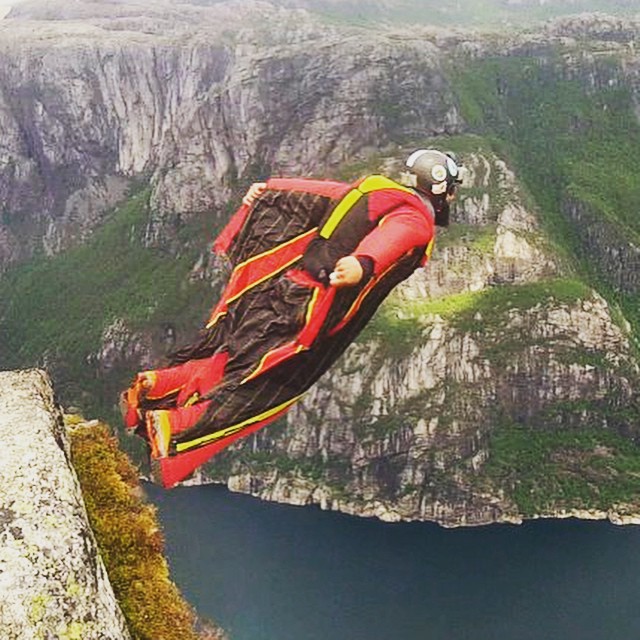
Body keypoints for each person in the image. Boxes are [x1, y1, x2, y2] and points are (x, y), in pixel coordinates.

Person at [121, 149, 462, 487]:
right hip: (313, 309)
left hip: (285, 285)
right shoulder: (417, 219)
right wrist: (362, 263)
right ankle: (175, 428)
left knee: (237, 356)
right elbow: (394, 238)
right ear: (442, 190)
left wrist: (270, 188)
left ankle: (156, 386)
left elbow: (324, 193)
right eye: (452, 189)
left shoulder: (376, 191)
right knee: (272, 385)